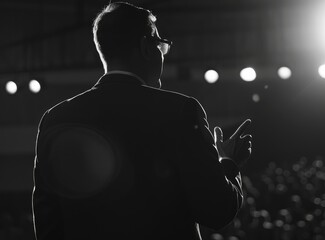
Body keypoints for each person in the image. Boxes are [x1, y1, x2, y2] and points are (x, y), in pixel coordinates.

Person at [32, 2, 252, 240]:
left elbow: (48, 224)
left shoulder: (55, 118)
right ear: (145, 47)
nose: (162, 53)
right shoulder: (179, 111)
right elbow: (216, 210)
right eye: (160, 44)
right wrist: (228, 163)